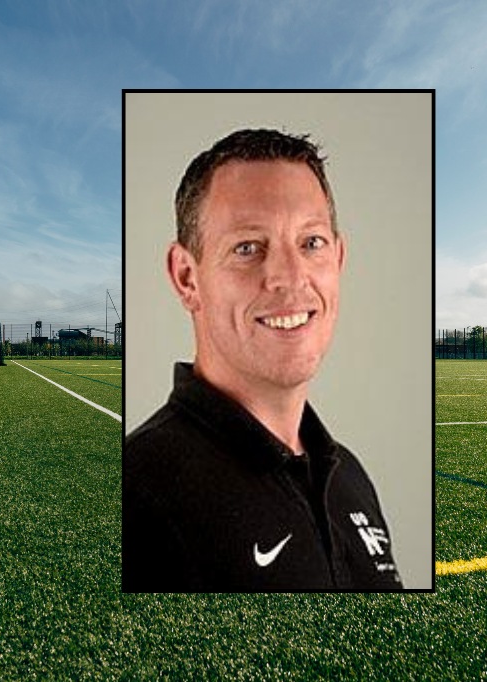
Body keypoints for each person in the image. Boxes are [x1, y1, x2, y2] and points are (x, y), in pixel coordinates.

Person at [123, 128, 402, 592]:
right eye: (248, 248)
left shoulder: (349, 478)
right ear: (187, 277)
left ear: (338, 259)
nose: (290, 278)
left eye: (311, 243)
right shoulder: (135, 495)